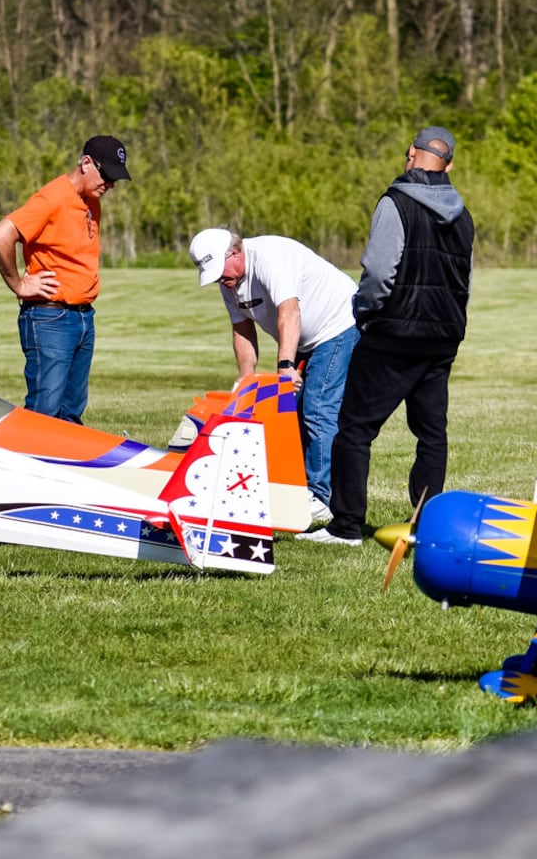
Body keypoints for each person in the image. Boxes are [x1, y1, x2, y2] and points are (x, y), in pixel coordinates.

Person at [301, 126, 474, 546]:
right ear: (448, 164)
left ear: (410, 153)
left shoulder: (396, 202)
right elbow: (462, 277)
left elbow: (379, 272)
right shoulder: (464, 215)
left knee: (354, 427)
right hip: (444, 335)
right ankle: (426, 525)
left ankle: (345, 526)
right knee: (431, 433)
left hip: (394, 332)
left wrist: (366, 311)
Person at [189, 228, 359, 524]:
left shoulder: (270, 257)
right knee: (291, 412)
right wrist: (246, 383)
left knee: (317, 408)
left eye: (220, 271)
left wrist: (285, 365)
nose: (220, 279)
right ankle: (298, 486)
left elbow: (289, 312)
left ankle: (321, 497)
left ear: (235, 252)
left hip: (339, 324)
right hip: (305, 338)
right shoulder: (229, 281)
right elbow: (242, 329)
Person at [0, 136, 130, 424]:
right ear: (86, 163)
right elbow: (0, 235)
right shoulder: (52, 198)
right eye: (107, 176)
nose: (111, 185)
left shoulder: (90, 199)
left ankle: (66, 468)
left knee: (71, 414)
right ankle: (27, 467)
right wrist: (18, 284)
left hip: (82, 318)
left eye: (115, 179)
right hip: (49, 318)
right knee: (44, 414)